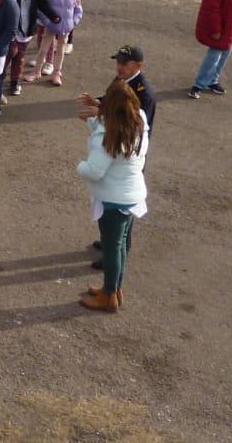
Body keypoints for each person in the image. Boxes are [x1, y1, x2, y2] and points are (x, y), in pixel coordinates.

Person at [78, 45, 155, 271]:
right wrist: (98, 102)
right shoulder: (121, 81)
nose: (119, 67)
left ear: (138, 66)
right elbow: (113, 101)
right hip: (114, 152)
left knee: (122, 204)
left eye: (125, 64)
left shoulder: (143, 92)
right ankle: (109, 239)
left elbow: (134, 123)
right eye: (118, 62)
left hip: (126, 156)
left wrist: (100, 113)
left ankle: (120, 248)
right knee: (109, 204)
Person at [75, 79, 149, 312]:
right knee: (120, 246)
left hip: (113, 199)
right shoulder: (139, 123)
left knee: (111, 247)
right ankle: (114, 288)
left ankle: (109, 296)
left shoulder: (108, 136)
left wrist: (80, 166)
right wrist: (93, 121)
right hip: (132, 194)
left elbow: (95, 171)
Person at [27, 0, 82, 87]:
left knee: (61, 50)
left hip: (66, 27)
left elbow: (78, 10)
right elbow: (43, 9)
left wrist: (73, 22)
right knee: (43, 49)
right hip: (52, 26)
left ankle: (57, 72)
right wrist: (48, 21)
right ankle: (37, 70)